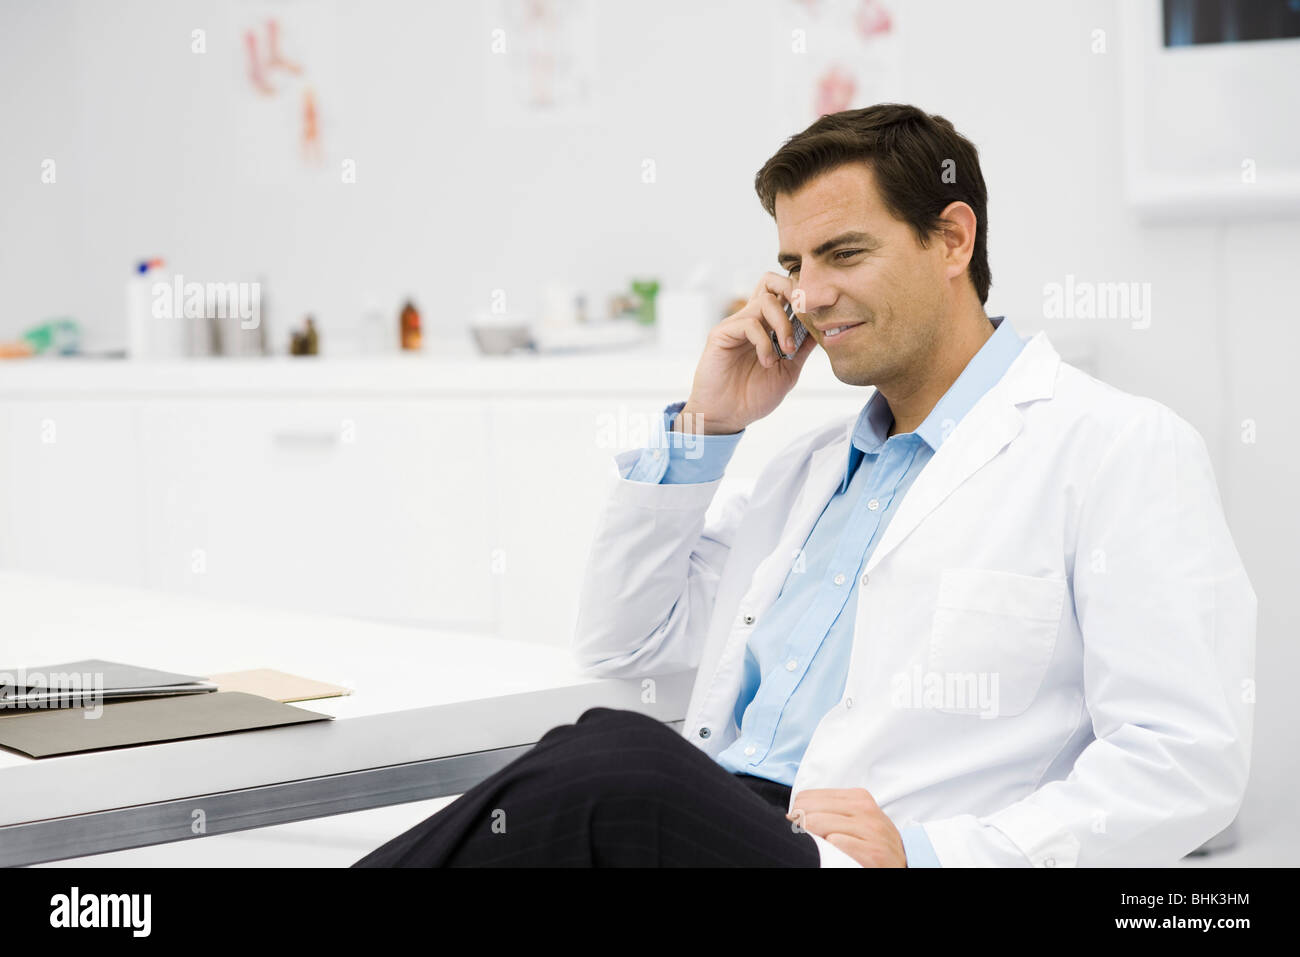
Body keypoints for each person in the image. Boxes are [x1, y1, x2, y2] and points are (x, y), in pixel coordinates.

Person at [354, 104, 1255, 868]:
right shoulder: (809, 471)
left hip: (855, 857)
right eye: (793, 265)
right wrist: (708, 429)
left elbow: (1184, 761)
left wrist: (934, 851)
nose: (811, 295)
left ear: (952, 238)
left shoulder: (1116, 447)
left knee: (614, 762)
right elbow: (620, 641)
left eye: (843, 253)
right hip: (723, 825)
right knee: (594, 756)